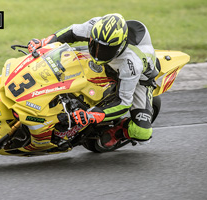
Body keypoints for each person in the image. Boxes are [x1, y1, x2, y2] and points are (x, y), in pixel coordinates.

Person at [27, 13, 159, 147]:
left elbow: (123, 102)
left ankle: (120, 131)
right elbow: (71, 32)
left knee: (143, 133)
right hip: (110, 62)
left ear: (118, 47)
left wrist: (93, 115)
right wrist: (45, 42)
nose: (98, 52)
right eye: (95, 45)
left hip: (139, 80)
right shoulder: (97, 26)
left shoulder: (132, 63)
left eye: (105, 49)